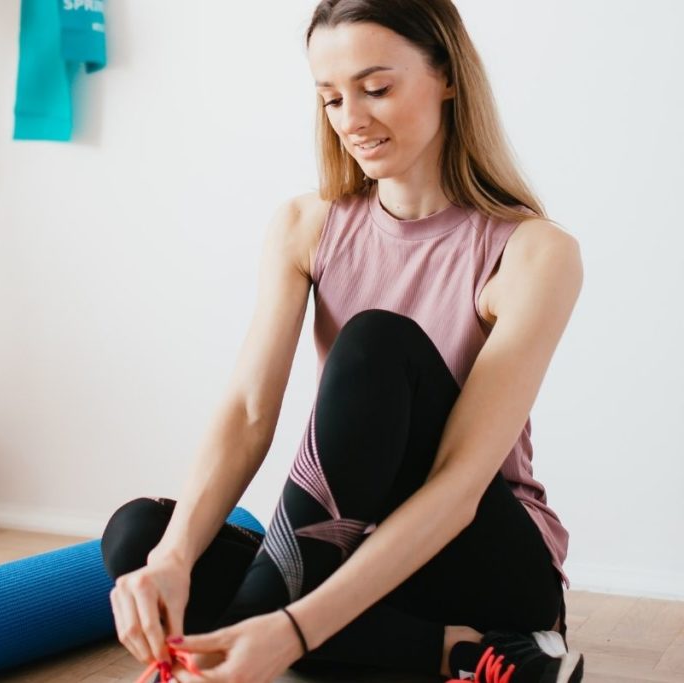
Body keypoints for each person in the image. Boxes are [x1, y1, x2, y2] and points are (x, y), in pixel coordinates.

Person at [101, 1, 585, 681]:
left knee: (374, 345)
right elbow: (246, 414)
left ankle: (464, 634)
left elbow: (458, 487)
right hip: (356, 544)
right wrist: (175, 560)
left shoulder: (534, 253)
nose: (351, 118)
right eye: (331, 98)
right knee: (140, 539)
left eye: (376, 88)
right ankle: (464, 653)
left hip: (480, 555)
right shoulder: (305, 226)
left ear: (446, 75)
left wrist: (290, 627)